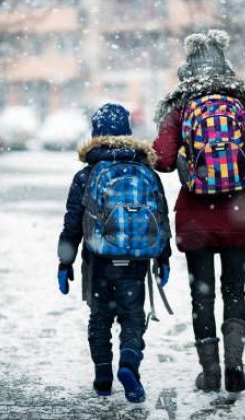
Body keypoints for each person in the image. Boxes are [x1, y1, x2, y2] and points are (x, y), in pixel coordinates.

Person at [152, 30, 245, 393]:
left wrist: (179, 156)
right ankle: (235, 365)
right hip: (241, 211)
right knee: (235, 291)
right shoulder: (243, 105)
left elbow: (160, 158)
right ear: (226, 65)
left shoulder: (181, 106)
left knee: (202, 295)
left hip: (196, 217)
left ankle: (210, 373)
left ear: (187, 68)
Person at [57, 103, 171, 403]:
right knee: (132, 317)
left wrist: (64, 262)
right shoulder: (145, 170)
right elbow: (160, 216)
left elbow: (72, 223)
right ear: (127, 133)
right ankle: (129, 364)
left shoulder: (87, 174)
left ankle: (103, 376)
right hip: (135, 260)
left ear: (95, 133)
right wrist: (163, 257)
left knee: (101, 318)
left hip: (99, 261)